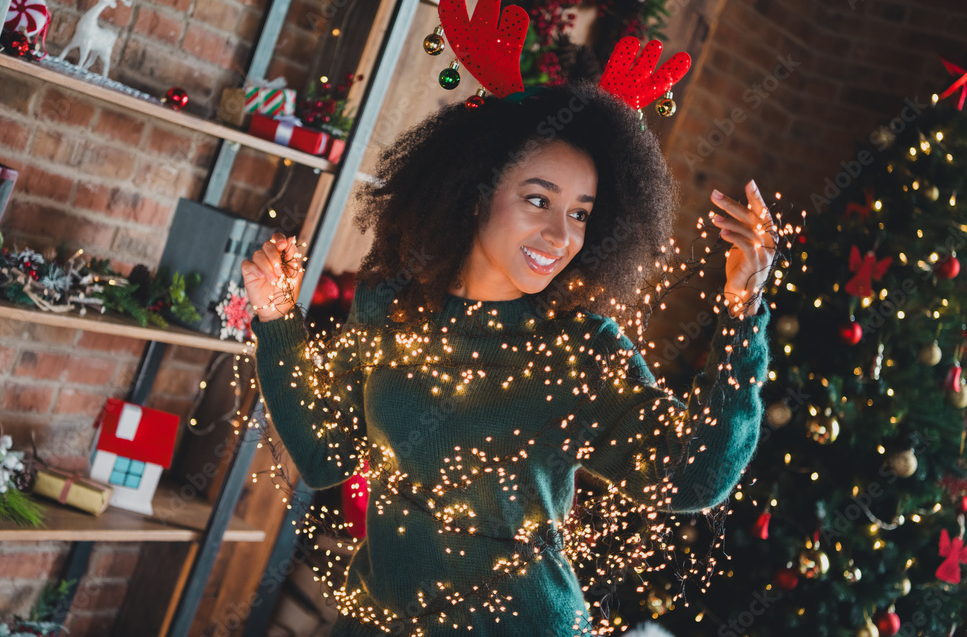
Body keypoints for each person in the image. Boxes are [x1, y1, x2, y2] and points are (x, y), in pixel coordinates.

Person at [241, 81, 777, 636]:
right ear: (477, 192)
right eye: (538, 200)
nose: (558, 234)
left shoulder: (580, 347)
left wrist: (743, 314)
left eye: (580, 214)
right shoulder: (391, 301)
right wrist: (279, 321)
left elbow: (691, 477)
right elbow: (324, 454)